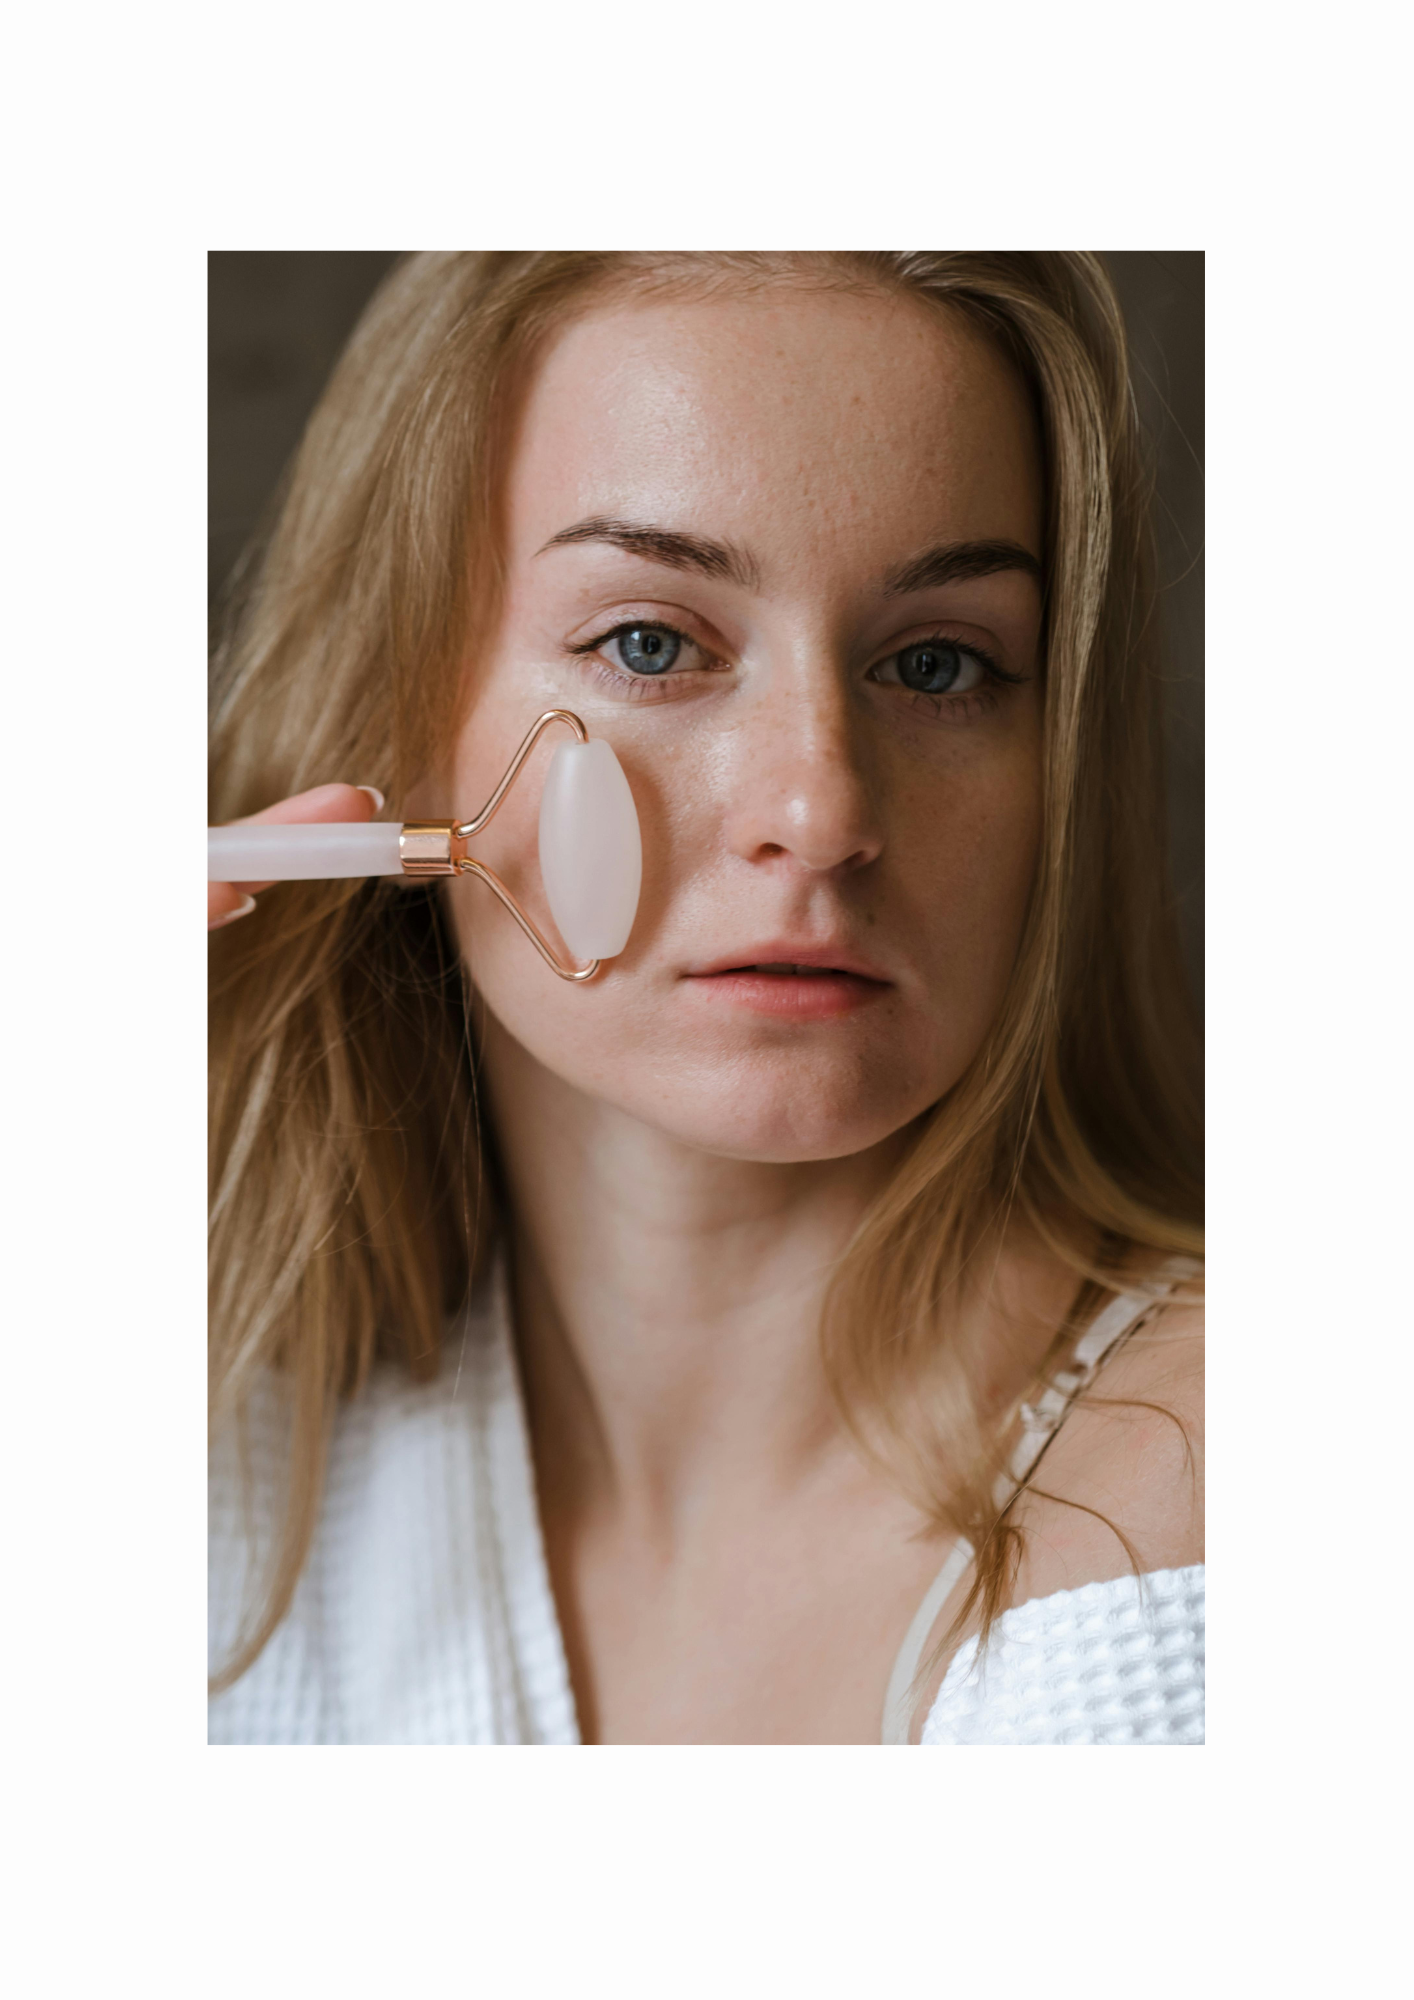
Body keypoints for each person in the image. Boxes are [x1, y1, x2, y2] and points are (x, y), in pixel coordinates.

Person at [208, 252, 1203, 1746]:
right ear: (398, 717)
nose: (819, 811)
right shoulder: (228, 1447)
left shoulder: (1205, 1512)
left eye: (939, 664)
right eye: (651, 644)